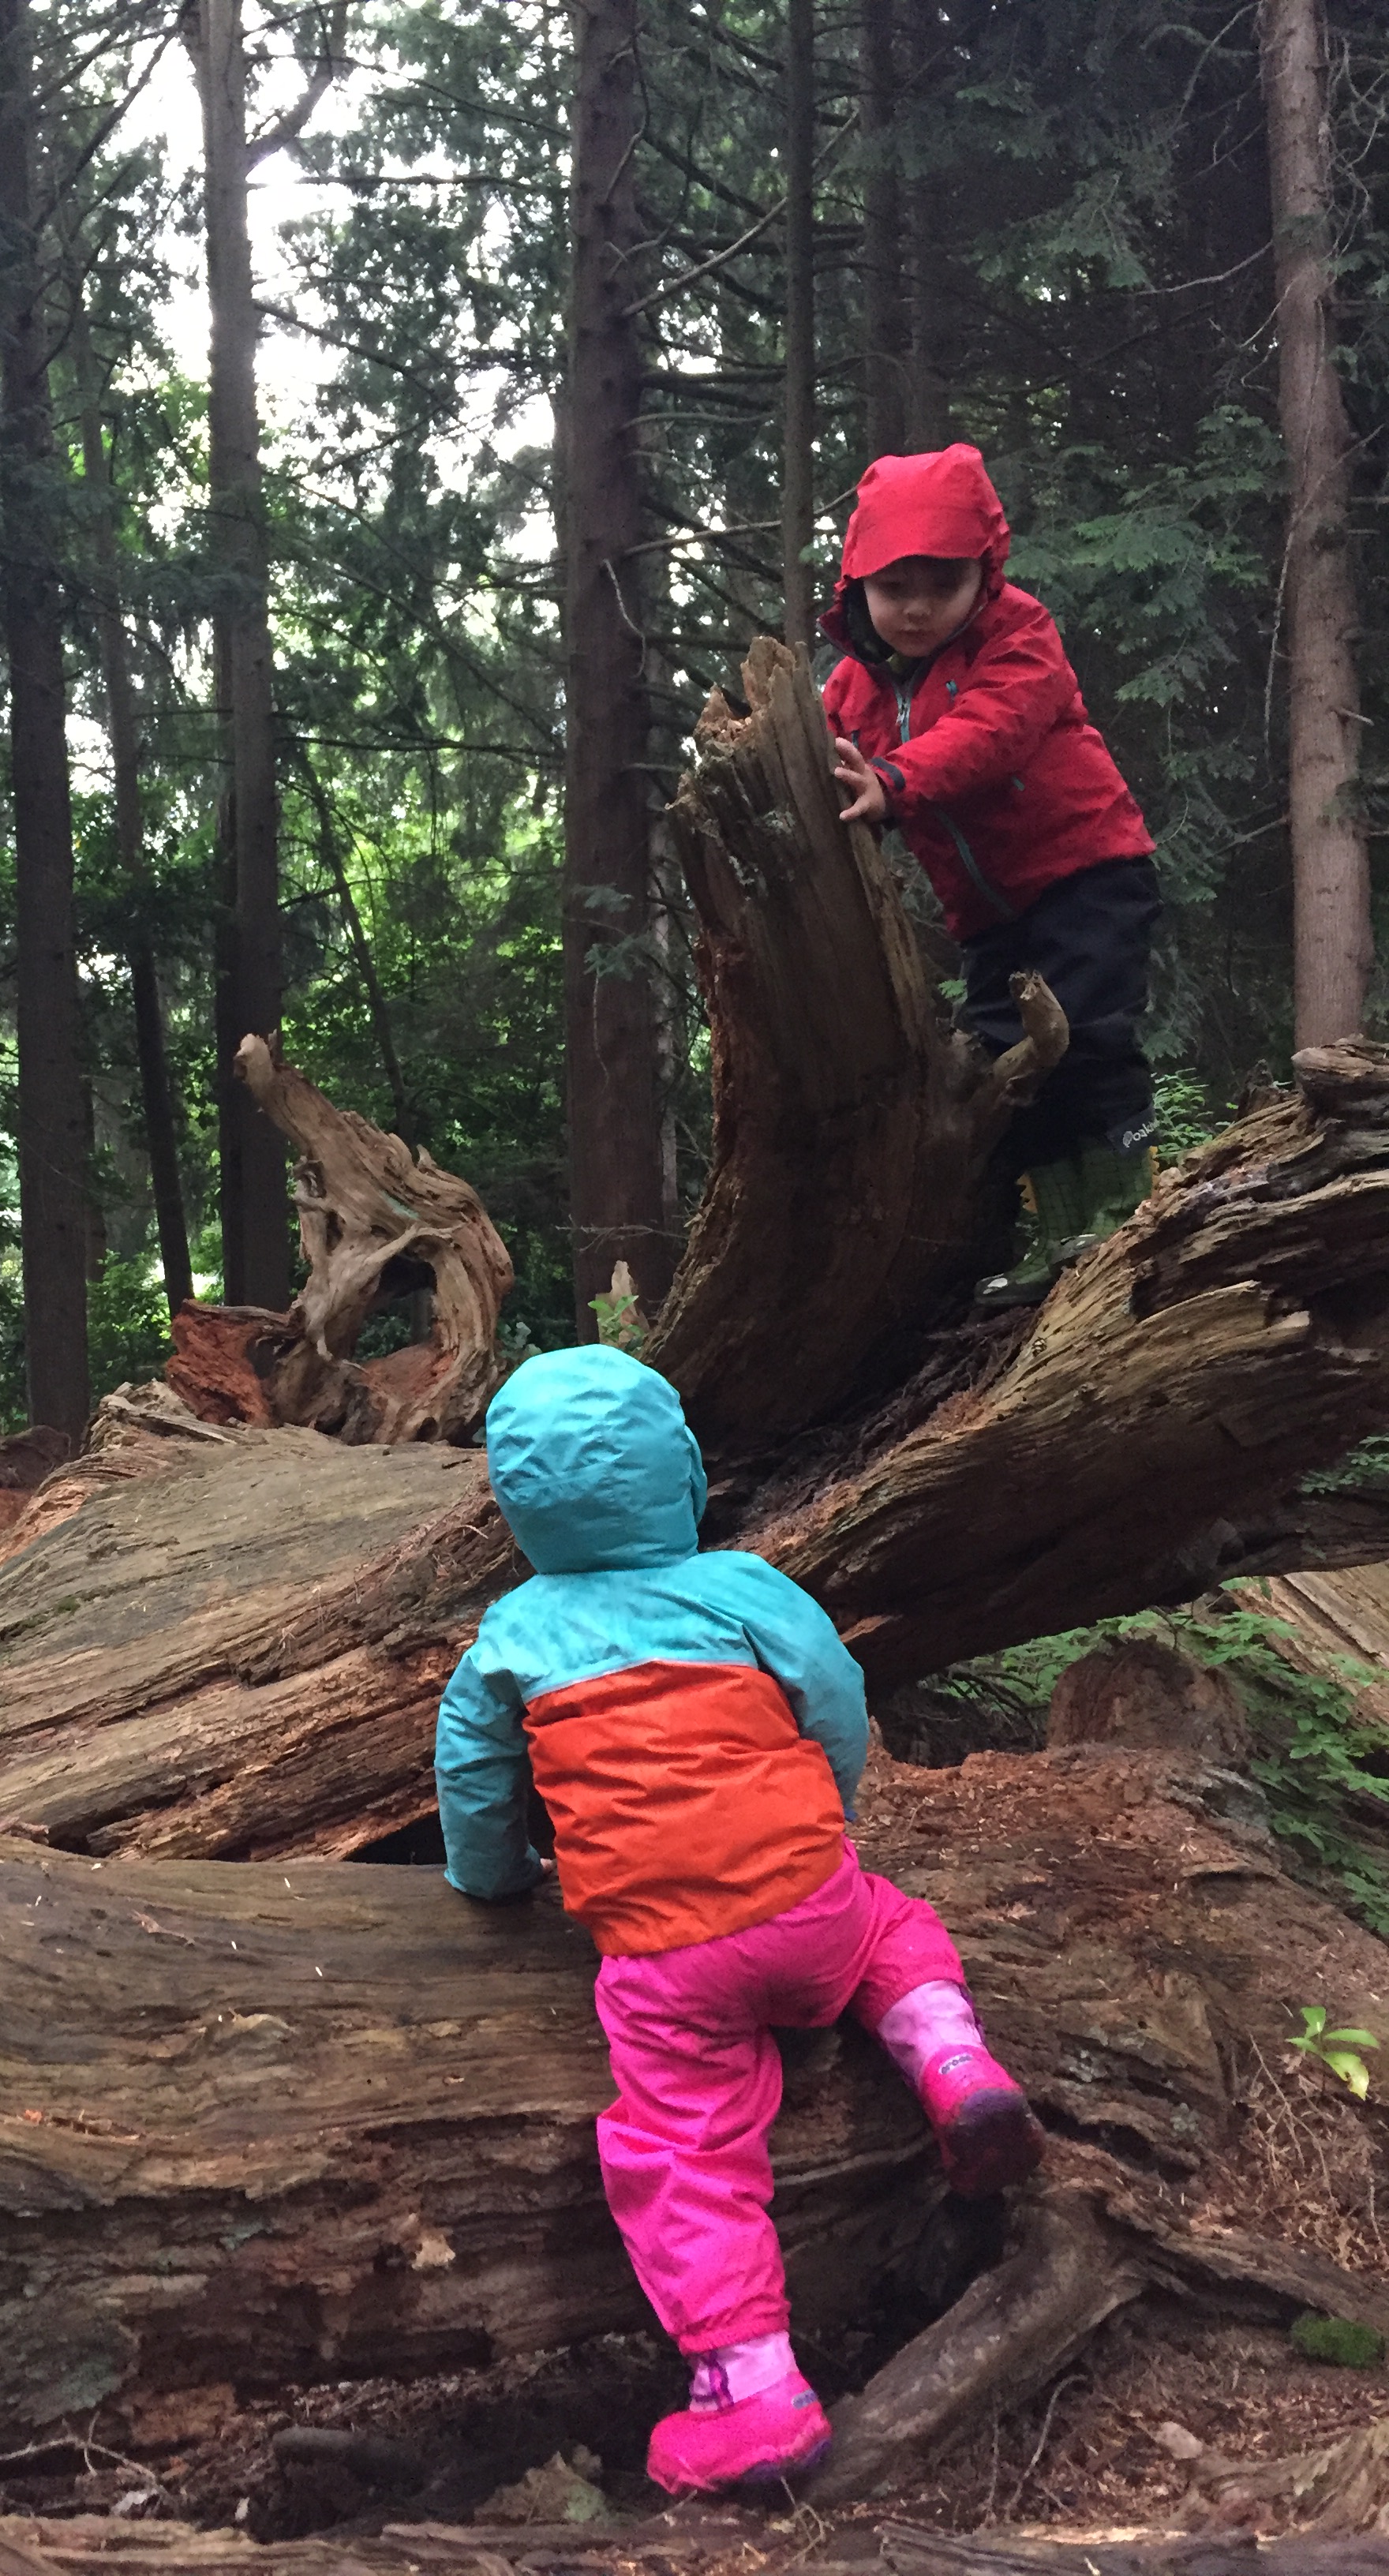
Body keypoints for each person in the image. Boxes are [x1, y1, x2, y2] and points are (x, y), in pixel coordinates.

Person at [435, 1345, 1043, 2496]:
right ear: (685, 1474)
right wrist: (828, 1817)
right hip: (811, 1902)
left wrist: (495, 1878)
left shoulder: (510, 1637)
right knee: (891, 1928)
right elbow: (834, 1696)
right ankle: (952, 2064)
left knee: (685, 2152)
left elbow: (471, 1778)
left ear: (518, 1506)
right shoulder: (743, 1589)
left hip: (665, 1964)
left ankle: (750, 2392)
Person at [824, 443, 1159, 1308]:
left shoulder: (1019, 634)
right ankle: (1056, 1230)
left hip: (1087, 872)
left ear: (984, 572)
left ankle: (1127, 1208)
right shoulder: (854, 688)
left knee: (1088, 1036)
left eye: (942, 584)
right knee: (1008, 1065)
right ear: (858, 582)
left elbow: (992, 733)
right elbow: (816, 757)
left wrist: (893, 780)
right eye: (895, 586)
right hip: (987, 916)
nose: (916, 607)